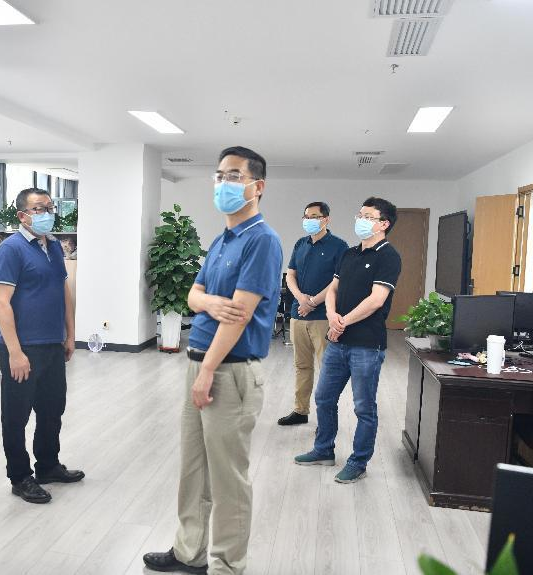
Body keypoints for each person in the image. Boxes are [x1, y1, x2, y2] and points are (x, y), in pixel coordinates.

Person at [144, 147, 283, 575]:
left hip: (228, 371)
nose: (224, 183)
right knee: (193, 469)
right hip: (200, 363)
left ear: (258, 186)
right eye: (220, 176)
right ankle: (190, 552)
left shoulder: (262, 240)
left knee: (228, 479)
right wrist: (207, 301)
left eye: (234, 176)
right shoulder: (223, 239)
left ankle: (227, 565)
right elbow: (193, 295)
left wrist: (207, 372)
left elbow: (237, 317)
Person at [294, 197, 401, 484]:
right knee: (324, 397)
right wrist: (331, 315)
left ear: (383, 224)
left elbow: (376, 300)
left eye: (368, 216)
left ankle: (358, 462)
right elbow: (333, 289)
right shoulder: (350, 253)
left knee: (364, 407)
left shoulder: (389, 256)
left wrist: (342, 322)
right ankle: (323, 449)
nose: (361, 220)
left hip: (366, 345)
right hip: (338, 341)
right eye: (360, 215)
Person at [0, 187, 83, 505]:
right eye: (39, 208)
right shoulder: (10, 249)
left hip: (52, 344)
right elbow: (1, 303)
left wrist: (69, 334)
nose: (47, 213)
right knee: (16, 416)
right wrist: (15, 352)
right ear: (22, 215)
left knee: (52, 410)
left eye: (50, 207)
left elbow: (64, 290)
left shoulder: (54, 246)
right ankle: (20, 477)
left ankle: (47, 465)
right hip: (23, 348)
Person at [278, 202, 348, 426]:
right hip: (298, 315)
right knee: (301, 366)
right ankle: (300, 411)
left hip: (323, 317)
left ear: (326, 219)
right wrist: (301, 298)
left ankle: (326, 419)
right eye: (306, 216)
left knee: (327, 370)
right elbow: (290, 275)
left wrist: (313, 302)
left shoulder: (339, 246)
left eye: (315, 216)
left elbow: (338, 281)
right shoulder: (301, 244)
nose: (309, 220)